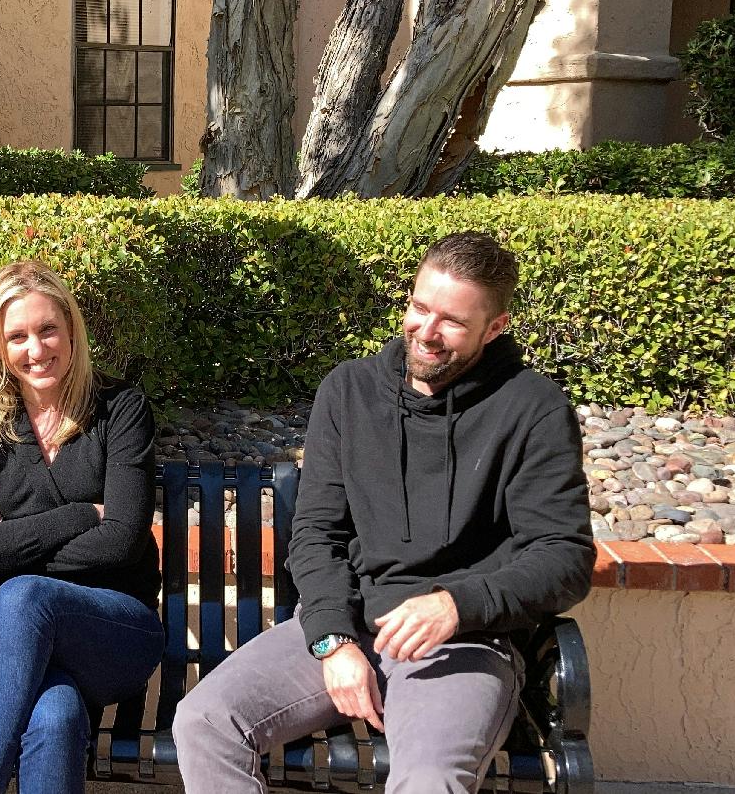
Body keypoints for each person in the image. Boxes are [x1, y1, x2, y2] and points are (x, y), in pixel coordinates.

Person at [173, 232, 595, 793]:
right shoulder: (349, 391)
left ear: (495, 328)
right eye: (420, 307)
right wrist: (332, 640)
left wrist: (456, 603)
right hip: (350, 623)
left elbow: (565, 556)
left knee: (428, 779)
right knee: (204, 722)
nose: (426, 332)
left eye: (451, 322)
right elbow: (317, 533)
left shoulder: (534, 411)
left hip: (465, 640)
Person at [0, 260, 165, 794]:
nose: (36, 350)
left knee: (21, 595)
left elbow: (123, 542)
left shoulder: (120, 409)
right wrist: (82, 514)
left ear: (70, 331)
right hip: (17, 642)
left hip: (116, 628)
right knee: (57, 714)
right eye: (17, 336)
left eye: (47, 330)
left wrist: (7, 537)